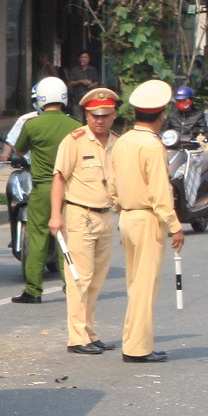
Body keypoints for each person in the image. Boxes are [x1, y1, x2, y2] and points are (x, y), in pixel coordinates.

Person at [110, 80, 183, 363]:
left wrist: (122, 209)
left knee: (134, 283)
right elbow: (160, 193)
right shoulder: (152, 146)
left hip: (127, 216)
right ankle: (138, 348)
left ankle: (134, 341)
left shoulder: (124, 141)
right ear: (161, 114)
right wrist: (175, 226)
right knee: (144, 285)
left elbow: (112, 185)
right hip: (147, 217)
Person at [48, 86, 119, 355]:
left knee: (98, 278)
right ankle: (77, 337)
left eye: (105, 115)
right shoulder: (74, 140)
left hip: (105, 215)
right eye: (93, 115)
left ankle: (89, 331)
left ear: (113, 115)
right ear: (86, 115)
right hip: (80, 214)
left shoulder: (117, 141)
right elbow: (59, 178)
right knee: (80, 278)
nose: (99, 120)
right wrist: (56, 216)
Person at [10, 77, 80, 305]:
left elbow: (19, 152)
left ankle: (33, 290)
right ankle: (70, 286)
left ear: (39, 99)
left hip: (42, 190)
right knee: (65, 239)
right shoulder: (75, 126)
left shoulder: (32, 125)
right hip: (69, 191)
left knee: (37, 237)